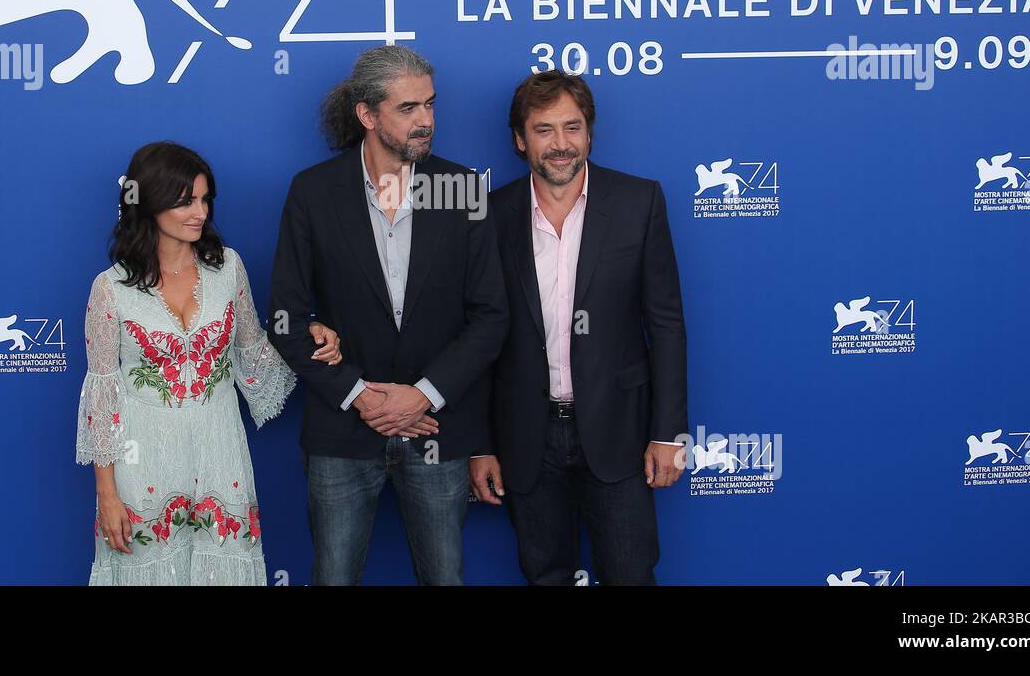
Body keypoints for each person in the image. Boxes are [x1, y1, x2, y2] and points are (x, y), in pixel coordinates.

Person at [269, 45, 508, 585]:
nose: (425, 120)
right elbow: (284, 318)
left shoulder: (464, 189)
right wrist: (363, 396)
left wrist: (422, 394)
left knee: (444, 577)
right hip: (342, 432)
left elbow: (491, 316)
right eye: (407, 108)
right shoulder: (312, 193)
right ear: (367, 114)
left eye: (430, 104)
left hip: (439, 430)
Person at [75, 141, 341, 585]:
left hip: (219, 450)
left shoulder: (228, 269)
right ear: (151, 203)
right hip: (142, 457)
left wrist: (307, 334)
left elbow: (253, 353)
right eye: (185, 202)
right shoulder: (110, 289)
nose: (200, 212)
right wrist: (107, 493)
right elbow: (103, 395)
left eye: (204, 199)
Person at [470, 70, 688, 586]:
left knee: (631, 575)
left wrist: (668, 433)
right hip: (527, 434)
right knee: (545, 576)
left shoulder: (640, 203)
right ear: (520, 140)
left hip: (622, 430)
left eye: (573, 128)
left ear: (589, 133)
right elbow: (477, 335)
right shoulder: (489, 215)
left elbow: (667, 325)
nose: (561, 144)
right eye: (544, 130)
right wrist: (479, 444)